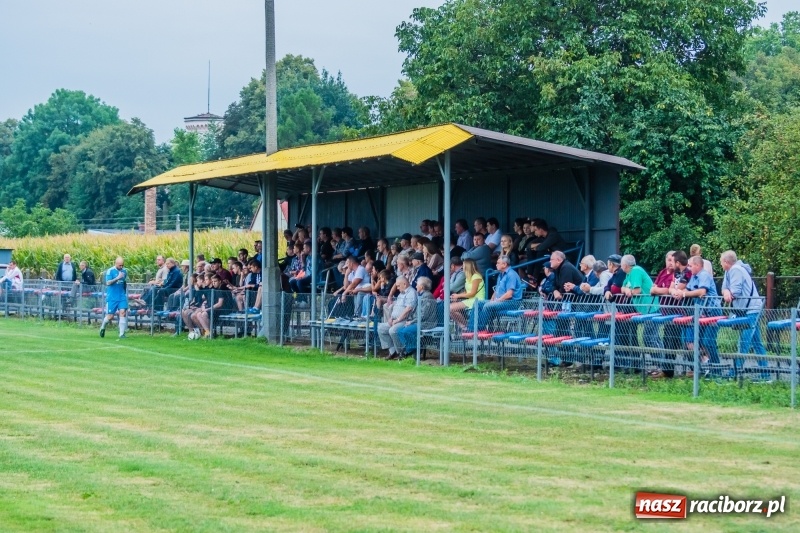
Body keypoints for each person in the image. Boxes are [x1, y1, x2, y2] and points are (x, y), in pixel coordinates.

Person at [720, 250, 768, 378]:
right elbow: (724, 289)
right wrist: (726, 292)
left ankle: (735, 372)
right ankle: (766, 374)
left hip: (751, 310)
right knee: (756, 342)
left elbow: (735, 291)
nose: (720, 264)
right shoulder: (729, 271)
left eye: (721, 262)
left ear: (726, 262)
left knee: (744, 342)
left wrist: (728, 292)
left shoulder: (736, 270)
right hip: (748, 310)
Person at [474, 255, 524, 330]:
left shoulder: (511, 274)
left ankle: (479, 329)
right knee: (478, 303)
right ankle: (472, 328)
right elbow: (497, 290)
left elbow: (509, 294)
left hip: (512, 303)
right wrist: (492, 300)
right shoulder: (501, 274)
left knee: (487, 306)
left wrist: (496, 301)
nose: (496, 264)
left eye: (498, 263)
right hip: (501, 301)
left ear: (504, 264)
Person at [396, 276, 439, 357]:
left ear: (422, 287)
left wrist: (411, 322)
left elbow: (424, 315)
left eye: (417, 285)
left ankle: (410, 350)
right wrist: (410, 321)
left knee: (406, 331)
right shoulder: (421, 295)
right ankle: (412, 347)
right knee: (400, 331)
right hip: (418, 321)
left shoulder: (427, 296)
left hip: (426, 323)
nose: (415, 286)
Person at [378, 276, 417, 359]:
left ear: (404, 284)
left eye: (398, 286)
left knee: (393, 330)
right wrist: (391, 318)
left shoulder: (411, 293)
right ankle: (393, 351)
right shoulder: (401, 293)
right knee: (381, 328)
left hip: (406, 321)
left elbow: (408, 309)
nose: (397, 288)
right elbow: (396, 308)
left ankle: (401, 352)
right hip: (395, 320)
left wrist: (397, 320)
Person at [449, 258, 485, 330]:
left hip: (477, 300)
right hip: (470, 300)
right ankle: (464, 327)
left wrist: (458, 295)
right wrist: (456, 296)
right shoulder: (468, 277)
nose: (462, 267)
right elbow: (467, 292)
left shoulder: (476, 276)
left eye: (463, 265)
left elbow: (472, 293)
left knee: (450, 308)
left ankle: (466, 327)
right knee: (449, 308)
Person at [100, 257, 129, 339]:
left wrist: (124, 291)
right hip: (112, 297)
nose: (121, 267)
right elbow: (108, 283)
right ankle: (103, 327)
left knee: (123, 312)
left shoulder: (124, 271)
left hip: (121, 296)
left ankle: (121, 334)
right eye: (120, 265)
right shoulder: (110, 271)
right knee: (110, 316)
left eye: (122, 265)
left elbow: (124, 282)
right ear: (115, 263)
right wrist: (117, 278)